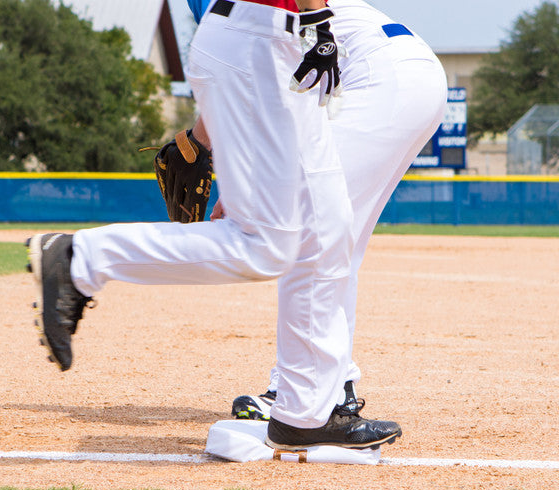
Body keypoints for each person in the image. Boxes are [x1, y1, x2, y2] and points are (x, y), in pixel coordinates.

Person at [27, 0, 403, 452]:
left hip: (274, 41)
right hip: (260, 40)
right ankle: (81, 259)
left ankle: (305, 415)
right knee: (266, 246)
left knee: (328, 226)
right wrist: (320, 21)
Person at [208, 0, 449, 422]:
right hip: (405, 74)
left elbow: (265, 83)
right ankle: (335, 386)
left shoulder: (224, 11)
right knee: (336, 237)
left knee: (312, 230)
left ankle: (301, 390)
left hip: (379, 78)